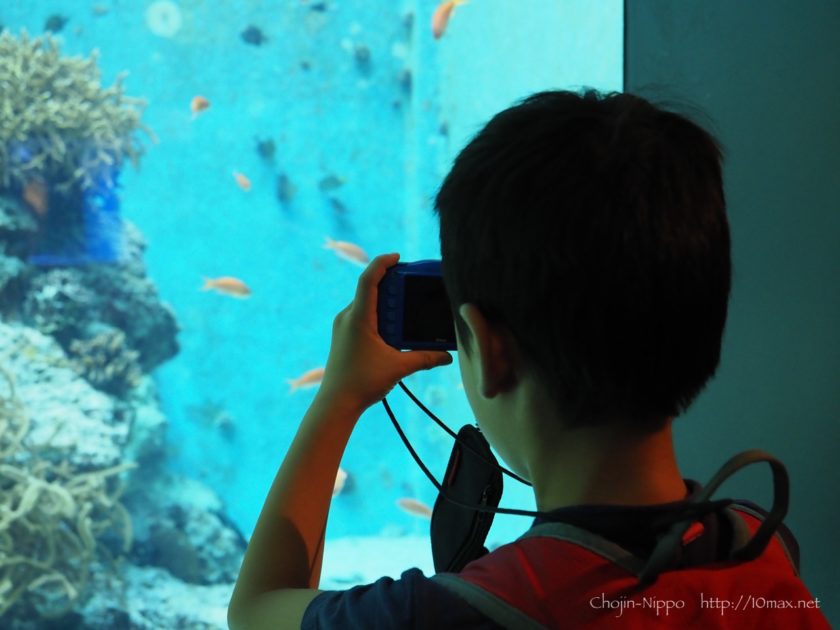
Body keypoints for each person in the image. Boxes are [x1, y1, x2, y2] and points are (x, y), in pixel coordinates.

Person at [227, 89, 830, 629]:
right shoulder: (763, 552)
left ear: (489, 350)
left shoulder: (455, 615)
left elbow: (257, 610)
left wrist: (340, 396)